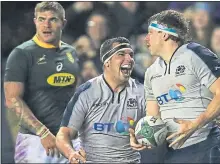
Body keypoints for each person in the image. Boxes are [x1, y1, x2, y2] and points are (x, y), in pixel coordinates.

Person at [129, 10, 220, 163]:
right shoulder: (151, 73)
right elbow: (153, 119)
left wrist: (195, 125)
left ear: (164, 34)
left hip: (204, 144)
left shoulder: (195, 54)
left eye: (151, 33)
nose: (146, 39)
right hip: (174, 151)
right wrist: (142, 137)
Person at [4, 2, 81, 163]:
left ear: (63, 23)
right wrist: (42, 132)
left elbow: (74, 95)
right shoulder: (21, 54)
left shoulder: (71, 52)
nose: (46, 24)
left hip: (69, 141)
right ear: (35, 22)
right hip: (35, 142)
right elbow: (12, 99)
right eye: (41, 19)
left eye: (53, 19)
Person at [56, 37, 146, 163]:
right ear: (107, 62)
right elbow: (63, 135)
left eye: (131, 55)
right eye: (121, 54)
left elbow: (155, 126)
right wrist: (71, 153)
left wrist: (144, 138)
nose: (129, 59)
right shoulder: (86, 92)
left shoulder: (141, 92)